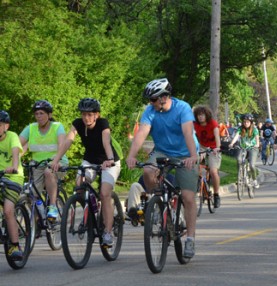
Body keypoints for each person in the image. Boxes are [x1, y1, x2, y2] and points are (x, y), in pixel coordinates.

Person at [125, 78, 199, 258]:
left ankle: (190, 239)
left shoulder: (182, 108)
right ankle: (157, 205)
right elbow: (142, 133)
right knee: (148, 171)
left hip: (185, 153)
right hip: (162, 150)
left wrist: (193, 156)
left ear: (164, 97)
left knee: (188, 197)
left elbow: (188, 133)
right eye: (150, 100)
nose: (150, 103)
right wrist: (131, 155)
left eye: (153, 99)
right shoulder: (150, 111)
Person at [51, 98, 121, 247]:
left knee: (105, 193)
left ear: (97, 115)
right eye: (84, 114)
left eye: (90, 115)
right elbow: (68, 141)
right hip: (90, 161)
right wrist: (56, 160)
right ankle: (90, 213)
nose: (86, 118)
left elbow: (106, 141)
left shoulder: (103, 123)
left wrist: (109, 159)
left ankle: (108, 232)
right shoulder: (77, 124)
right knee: (79, 185)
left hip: (109, 161)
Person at [19, 100, 68, 221]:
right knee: (32, 193)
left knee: (48, 172)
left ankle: (52, 206)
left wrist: (55, 160)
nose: (39, 116)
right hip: (37, 165)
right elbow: (18, 146)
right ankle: (34, 225)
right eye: (36, 114)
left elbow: (62, 144)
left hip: (57, 163)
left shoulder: (57, 126)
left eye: (42, 113)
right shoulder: (31, 128)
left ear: (49, 115)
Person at [0, 110, 25, 260]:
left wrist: (14, 166)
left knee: (8, 210)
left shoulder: (12, 137)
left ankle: (15, 245)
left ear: (6, 126)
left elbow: (16, 153)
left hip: (13, 177)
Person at [193, 105, 221, 208]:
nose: (200, 117)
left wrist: (217, 148)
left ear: (206, 115)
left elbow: (217, 137)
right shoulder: (195, 124)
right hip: (201, 147)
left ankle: (216, 195)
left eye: (202, 115)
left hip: (213, 148)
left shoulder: (212, 123)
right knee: (195, 165)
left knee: (213, 171)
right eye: (198, 115)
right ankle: (199, 184)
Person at [229, 113, 260, 187]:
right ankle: (240, 176)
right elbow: (236, 136)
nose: (246, 123)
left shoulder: (254, 129)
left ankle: (254, 180)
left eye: (248, 122)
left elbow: (257, 139)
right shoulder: (240, 129)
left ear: (251, 122)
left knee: (252, 165)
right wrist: (232, 143)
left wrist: (257, 144)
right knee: (239, 160)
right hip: (243, 148)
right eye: (244, 122)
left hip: (253, 148)